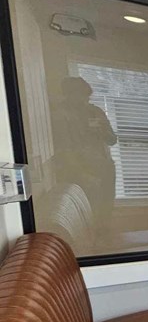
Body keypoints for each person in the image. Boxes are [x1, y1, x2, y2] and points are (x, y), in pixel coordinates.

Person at [51, 76, 117, 228]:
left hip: (106, 166)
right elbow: (64, 150)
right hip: (84, 171)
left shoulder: (96, 111)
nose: (85, 101)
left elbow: (112, 140)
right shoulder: (61, 116)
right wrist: (81, 174)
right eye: (80, 96)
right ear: (69, 95)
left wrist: (102, 131)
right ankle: (94, 246)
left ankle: (105, 240)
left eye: (87, 97)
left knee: (106, 208)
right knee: (89, 212)